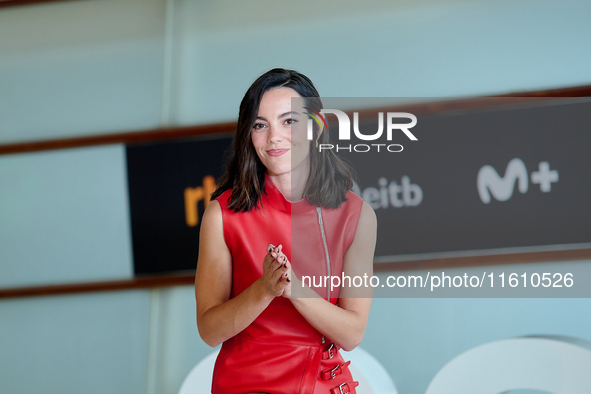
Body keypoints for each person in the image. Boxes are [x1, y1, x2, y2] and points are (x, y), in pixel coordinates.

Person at [195, 68, 376, 394]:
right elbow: (209, 330)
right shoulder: (222, 215)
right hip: (247, 385)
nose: (274, 137)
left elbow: (352, 334)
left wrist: (296, 290)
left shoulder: (356, 215)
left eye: (289, 121)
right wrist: (264, 289)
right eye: (260, 125)